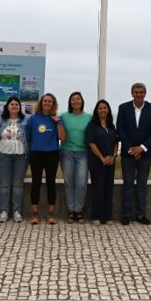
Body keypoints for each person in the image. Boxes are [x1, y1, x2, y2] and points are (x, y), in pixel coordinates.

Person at [116, 82, 151, 225]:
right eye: (136, 92)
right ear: (132, 93)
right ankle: (126, 214)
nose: (139, 94)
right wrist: (132, 149)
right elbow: (120, 130)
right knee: (128, 184)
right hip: (128, 153)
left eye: (141, 92)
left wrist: (141, 148)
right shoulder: (123, 108)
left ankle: (141, 214)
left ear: (145, 93)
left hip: (145, 154)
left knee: (142, 184)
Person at [25, 93, 65, 224]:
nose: (47, 103)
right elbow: (28, 138)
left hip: (52, 154)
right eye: (45, 101)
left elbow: (62, 138)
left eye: (50, 101)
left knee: (50, 183)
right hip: (36, 154)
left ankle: (50, 214)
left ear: (53, 104)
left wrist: (58, 123)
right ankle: (35, 214)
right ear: (41, 103)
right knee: (35, 183)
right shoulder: (33, 119)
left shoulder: (57, 119)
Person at [0, 96, 28, 223]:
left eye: (16, 104)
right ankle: (4, 211)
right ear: (7, 106)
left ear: (19, 107)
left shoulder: (25, 121)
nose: (14, 106)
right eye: (11, 104)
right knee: (5, 184)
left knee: (18, 184)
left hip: (21, 156)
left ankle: (17, 211)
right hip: (2, 154)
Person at [85, 99, 119, 226]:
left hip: (110, 161)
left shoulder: (111, 126)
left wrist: (114, 156)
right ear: (96, 111)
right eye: (100, 108)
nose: (103, 110)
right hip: (97, 161)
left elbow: (116, 142)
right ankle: (96, 216)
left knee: (108, 188)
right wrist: (102, 157)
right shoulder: (92, 125)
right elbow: (91, 143)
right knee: (98, 188)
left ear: (108, 110)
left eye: (105, 108)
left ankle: (108, 216)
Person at [60, 91, 91, 224]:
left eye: (78, 99)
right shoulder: (63, 116)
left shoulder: (89, 117)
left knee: (81, 182)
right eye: (73, 99)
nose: (76, 101)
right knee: (69, 182)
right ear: (70, 102)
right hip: (66, 151)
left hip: (83, 152)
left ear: (82, 101)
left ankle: (79, 210)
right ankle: (71, 211)